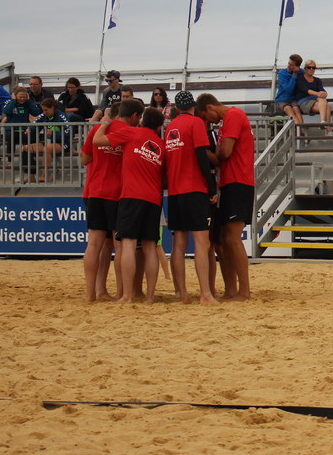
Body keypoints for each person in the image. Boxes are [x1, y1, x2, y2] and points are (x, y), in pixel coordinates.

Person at [93, 100, 166, 304]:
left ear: (142, 120)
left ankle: (126, 295)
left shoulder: (132, 133)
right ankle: (150, 296)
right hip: (153, 198)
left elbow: (98, 141)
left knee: (128, 244)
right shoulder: (161, 146)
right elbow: (164, 177)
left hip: (131, 195)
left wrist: (105, 121)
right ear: (159, 126)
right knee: (150, 247)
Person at [196, 93, 255, 301]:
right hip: (230, 182)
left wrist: (208, 152)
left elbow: (225, 153)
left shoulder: (233, 116)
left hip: (238, 181)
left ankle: (244, 291)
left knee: (232, 238)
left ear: (210, 107)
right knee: (223, 240)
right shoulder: (227, 120)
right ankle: (231, 289)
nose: (208, 121)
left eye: (206, 116)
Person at [164, 90, 219, 305]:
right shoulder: (196, 123)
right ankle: (205, 294)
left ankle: (181, 293)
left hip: (175, 190)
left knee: (178, 243)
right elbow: (201, 155)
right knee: (201, 242)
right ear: (193, 106)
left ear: (177, 108)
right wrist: (211, 188)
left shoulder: (170, 128)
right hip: (194, 187)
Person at [81, 101, 125, 302]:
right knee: (118, 245)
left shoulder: (98, 129)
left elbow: (84, 159)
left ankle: (93, 292)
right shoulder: (126, 131)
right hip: (116, 192)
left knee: (95, 245)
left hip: (95, 190)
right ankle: (121, 293)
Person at [21, 96, 69, 183]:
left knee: (47, 149)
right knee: (24, 148)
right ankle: (31, 175)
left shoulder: (62, 117)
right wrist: (29, 130)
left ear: (52, 108)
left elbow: (68, 134)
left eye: (46, 110)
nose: (44, 112)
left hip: (62, 143)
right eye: (43, 110)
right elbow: (35, 125)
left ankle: (44, 176)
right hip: (47, 142)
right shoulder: (43, 115)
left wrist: (54, 133)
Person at [296, 59, 333, 128]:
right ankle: (328, 129)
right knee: (327, 105)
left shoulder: (317, 80)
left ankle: (323, 123)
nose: (311, 69)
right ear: (305, 69)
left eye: (313, 68)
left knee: (327, 105)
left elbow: (322, 90)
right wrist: (318, 94)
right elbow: (305, 90)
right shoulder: (300, 78)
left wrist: (325, 94)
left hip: (316, 101)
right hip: (304, 101)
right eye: (309, 67)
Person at [274, 54, 303, 123]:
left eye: (291, 65)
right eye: (288, 63)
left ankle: (301, 128)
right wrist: (294, 75)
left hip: (293, 99)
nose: (288, 66)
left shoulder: (301, 72)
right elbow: (288, 89)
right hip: (281, 100)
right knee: (288, 108)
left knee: (296, 109)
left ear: (297, 67)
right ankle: (298, 127)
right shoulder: (282, 73)